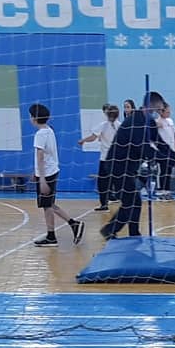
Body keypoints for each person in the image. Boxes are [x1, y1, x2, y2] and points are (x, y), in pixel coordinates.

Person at [100, 90, 175, 239]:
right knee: (131, 201)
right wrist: (173, 163)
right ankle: (110, 231)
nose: (160, 110)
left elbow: (160, 143)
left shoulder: (149, 122)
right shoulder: (136, 122)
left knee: (134, 201)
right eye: (159, 107)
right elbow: (146, 150)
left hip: (129, 167)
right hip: (117, 166)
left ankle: (130, 232)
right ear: (152, 105)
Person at [29, 103, 84, 247]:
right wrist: (36, 173)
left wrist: (42, 179)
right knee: (48, 204)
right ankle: (65, 228)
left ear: (34, 118)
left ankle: (58, 233)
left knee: (47, 206)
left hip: (47, 174)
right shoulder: (49, 130)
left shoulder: (40, 134)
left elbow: (40, 156)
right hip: (51, 171)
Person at [78, 103, 120, 211]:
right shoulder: (120, 125)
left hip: (105, 159)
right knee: (116, 181)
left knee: (103, 183)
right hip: (117, 159)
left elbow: (93, 137)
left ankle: (104, 204)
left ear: (107, 114)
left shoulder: (103, 125)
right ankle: (121, 201)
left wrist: (83, 140)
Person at [156, 102, 175, 200]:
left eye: (170, 111)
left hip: (171, 149)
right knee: (163, 171)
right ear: (161, 111)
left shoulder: (170, 121)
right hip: (163, 151)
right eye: (167, 111)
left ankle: (167, 190)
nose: (169, 113)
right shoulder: (158, 122)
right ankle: (161, 191)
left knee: (169, 171)